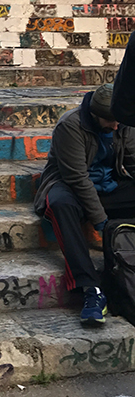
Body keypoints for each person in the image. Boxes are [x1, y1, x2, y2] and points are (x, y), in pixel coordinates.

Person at [34, 83, 135, 324]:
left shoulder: (123, 121)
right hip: (67, 186)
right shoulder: (70, 125)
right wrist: (101, 221)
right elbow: (77, 179)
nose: (116, 126)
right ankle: (91, 289)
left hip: (108, 184)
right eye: (111, 122)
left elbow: (132, 163)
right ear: (96, 116)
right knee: (60, 205)